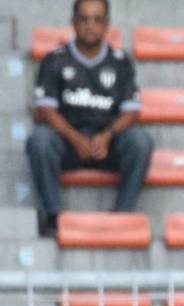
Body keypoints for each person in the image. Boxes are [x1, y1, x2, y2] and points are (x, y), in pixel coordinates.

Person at [26, 0, 152, 237]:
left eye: (97, 19)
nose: (90, 25)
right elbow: (46, 111)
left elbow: (131, 112)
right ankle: (53, 217)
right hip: (68, 145)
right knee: (40, 140)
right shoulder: (55, 60)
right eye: (84, 19)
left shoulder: (120, 62)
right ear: (73, 23)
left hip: (107, 146)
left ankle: (122, 217)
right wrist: (75, 139)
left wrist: (107, 136)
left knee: (141, 141)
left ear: (107, 24)